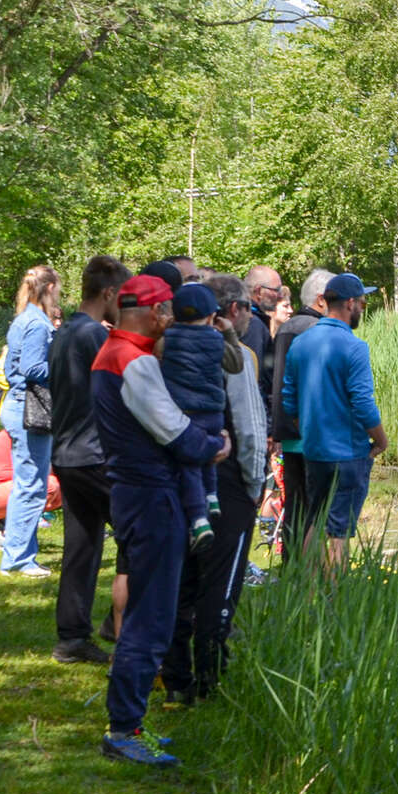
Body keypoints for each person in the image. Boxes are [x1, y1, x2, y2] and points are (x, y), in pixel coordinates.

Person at [90, 273, 228, 766]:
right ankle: (124, 729)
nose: (171, 321)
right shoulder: (134, 361)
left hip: (134, 493)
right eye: (167, 311)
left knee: (148, 611)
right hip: (152, 497)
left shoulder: (113, 352)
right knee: (151, 618)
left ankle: (129, 722)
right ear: (153, 312)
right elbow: (176, 433)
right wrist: (215, 446)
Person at [161, 273, 269, 705]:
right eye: (248, 308)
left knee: (181, 581)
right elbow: (249, 424)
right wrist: (255, 483)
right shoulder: (234, 355)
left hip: (178, 473)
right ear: (232, 310)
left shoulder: (164, 349)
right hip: (227, 477)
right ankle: (210, 681)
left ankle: (176, 679)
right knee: (220, 583)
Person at [50, 254, 130, 664]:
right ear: (109, 293)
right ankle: (122, 627)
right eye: (124, 298)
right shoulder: (95, 337)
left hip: (66, 454)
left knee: (80, 547)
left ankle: (71, 638)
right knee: (139, 534)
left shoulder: (64, 332)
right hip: (95, 454)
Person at [280, 272, 387, 564]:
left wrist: (308, 432)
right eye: (362, 303)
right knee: (338, 532)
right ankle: (334, 591)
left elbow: (289, 399)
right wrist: (381, 440)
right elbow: (363, 403)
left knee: (315, 521)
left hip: (314, 451)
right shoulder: (355, 347)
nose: (362, 309)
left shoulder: (301, 343)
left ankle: (304, 585)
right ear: (350, 303)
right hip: (347, 453)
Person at [158, 282, 233, 546]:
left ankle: (198, 519)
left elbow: (156, 358)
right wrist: (229, 333)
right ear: (212, 316)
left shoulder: (168, 340)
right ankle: (212, 496)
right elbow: (236, 364)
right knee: (209, 457)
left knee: (189, 464)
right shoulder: (216, 339)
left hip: (185, 413)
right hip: (213, 412)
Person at [0, 265, 60, 579]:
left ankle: (18, 552)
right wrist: (66, 368)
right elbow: (32, 368)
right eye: (58, 288)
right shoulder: (37, 324)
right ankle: (18, 559)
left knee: (27, 483)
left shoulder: (24, 318)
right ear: (49, 288)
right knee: (32, 486)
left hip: (19, 405)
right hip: (29, 408)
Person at [268, 269, 330, 559]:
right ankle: (310, 570)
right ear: (321, 300)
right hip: (307, 430)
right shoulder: (314, 329)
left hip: (287, 428)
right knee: (314, 506)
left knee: (295, 503)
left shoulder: (286, 327)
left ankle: (291, 567)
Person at [0, 428, 64, 527]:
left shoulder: (40, 433)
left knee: (62, 488)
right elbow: (38, 473)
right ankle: (12, 524)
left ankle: (6, 522)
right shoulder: (25, 433)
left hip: (8, 489)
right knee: (49, 485)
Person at [243, 265, 282, 410]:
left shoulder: (253, 320)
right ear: (259, 291)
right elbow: (253, 376)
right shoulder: (253, 324)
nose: (280, 296)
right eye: (276, 290)